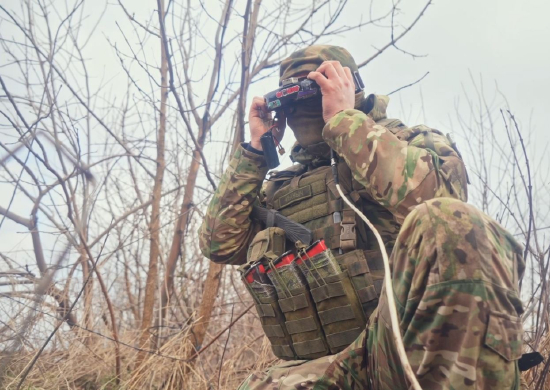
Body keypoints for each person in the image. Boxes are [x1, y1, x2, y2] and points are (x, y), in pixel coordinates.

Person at [199, 45, 524, 390]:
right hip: (315, 373)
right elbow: (219, 244)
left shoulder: (407, 143)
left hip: (399, 349)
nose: (307, 106)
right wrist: (255, 152)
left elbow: (444, 209)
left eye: (318, 88)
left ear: (347, 87)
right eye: (293, 97)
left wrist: (344, 121)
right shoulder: (279, 190)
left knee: (451, 219)